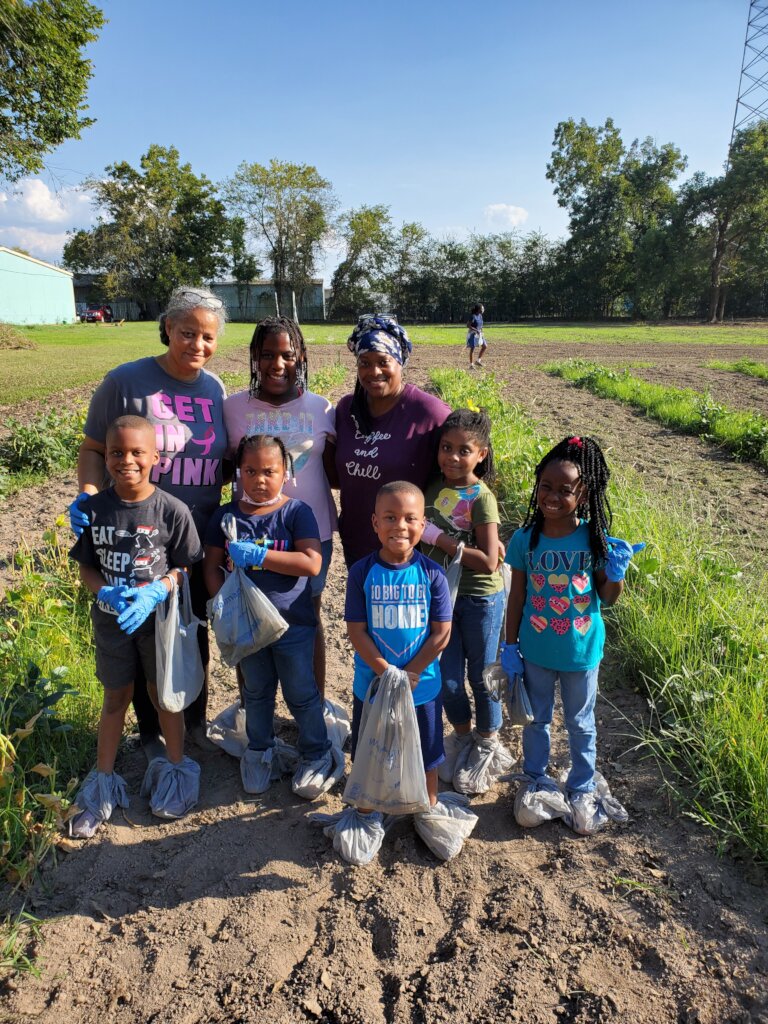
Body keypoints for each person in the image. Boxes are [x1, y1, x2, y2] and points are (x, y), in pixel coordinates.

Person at [69, 286, 229, 754]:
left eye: (207, 336)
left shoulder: (215, 389)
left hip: (194, 535)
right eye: (187, 333)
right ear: (168, 328)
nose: (197, 344)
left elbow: (222, 460)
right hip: (134, 533)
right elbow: (93, 448)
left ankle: (192, 722)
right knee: (139, 634)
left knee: (190, 630)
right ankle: (151, 732)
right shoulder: (126, 382)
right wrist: (89, 494)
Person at [68, 416, 203, 837]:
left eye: (136, 452)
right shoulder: (93, 511)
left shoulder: (172, 510)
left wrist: (160, 589)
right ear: (106, 457)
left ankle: (175, 771)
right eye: (116, 452)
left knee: (163, 696)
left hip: (157, 622)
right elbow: (87, 567)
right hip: (112, 624)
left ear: (155, 457)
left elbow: (185, 566)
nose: (126, 460)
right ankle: (102, 784)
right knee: (115, 697)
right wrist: (103, 592)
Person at [502, 435, 644, 833]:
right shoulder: (524, 539)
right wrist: (509, 646)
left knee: (581, 723)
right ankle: (535, 777)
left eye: (565, 490)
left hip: (581, 652)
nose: (552, 496)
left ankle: (581, 785)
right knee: (537, 720)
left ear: (584, 496)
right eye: (546, 486)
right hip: (535, 650)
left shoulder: (593, 539)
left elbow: (607, 597)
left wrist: (616, 573)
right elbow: (517, 596)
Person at [202, 434, 338, 799]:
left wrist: (261, 556)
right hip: (247, 628)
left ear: (285, 472)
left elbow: (311, 563)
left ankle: (316, 752)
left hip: (292, 624)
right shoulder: (226, 517)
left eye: (269, 471)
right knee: (256, 691)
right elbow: (211, 565)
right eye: (250, 471)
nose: (260, 479)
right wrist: (220, 602)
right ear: (238, 474)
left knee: (301, 692)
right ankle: (260, 751)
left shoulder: (296, 513)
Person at [223, 316, 336, 696]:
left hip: (311, 535)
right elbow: (219, 465)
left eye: (287, 354)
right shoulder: (231, 408)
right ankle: (251, 709)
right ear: (254, 356)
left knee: (308, 616)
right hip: (249, 535)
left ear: (301, 356)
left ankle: (313, 706)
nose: (278, 363)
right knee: (246, 613)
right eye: (267, 354)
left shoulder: (322, 409)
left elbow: (336, 470)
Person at [343, 481, 453, 862]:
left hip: (421, 688)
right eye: (390, 517)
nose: (400, 526)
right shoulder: (361, 573)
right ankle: (367, 811)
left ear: (423, 525)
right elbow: (357, 631)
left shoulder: (432, 575)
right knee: (371, 748)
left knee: (428, 752)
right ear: (375, 523)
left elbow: (441, 633)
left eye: (409, 518)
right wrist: (387, 673)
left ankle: (426, 807)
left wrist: (410, 675)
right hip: (373, 687)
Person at [419, 407, 511, 792]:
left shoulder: (481, 498)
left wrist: (439, 539)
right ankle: (461, 735)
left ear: (481, 454)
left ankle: (488, 742)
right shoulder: (431, 488)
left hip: (479, 600)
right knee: (448, 678)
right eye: (446, 447)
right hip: (442, 598)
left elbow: (489, 561)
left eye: (464, 450)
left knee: (483, 675)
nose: (453, 457)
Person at [331, 314, 450, 567]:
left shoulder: (429, 413)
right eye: (364, 363)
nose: (374, 371)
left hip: (410, 550)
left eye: (383, 362)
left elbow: (464, 464)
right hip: (356, 542)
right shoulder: (346, 410)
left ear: (399, 362)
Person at [466, 303, 487, 369]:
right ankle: (471, 365)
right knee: (472, 348)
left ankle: (478, 361)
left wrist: (481, 331)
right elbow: (468, 325)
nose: (483, 309)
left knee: (484, 346)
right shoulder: (473, 316)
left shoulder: (480, 316)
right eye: (482, 308)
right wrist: (476, 330)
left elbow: (481, 325)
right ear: (478, 309)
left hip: (479, 333)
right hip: (473, 334)